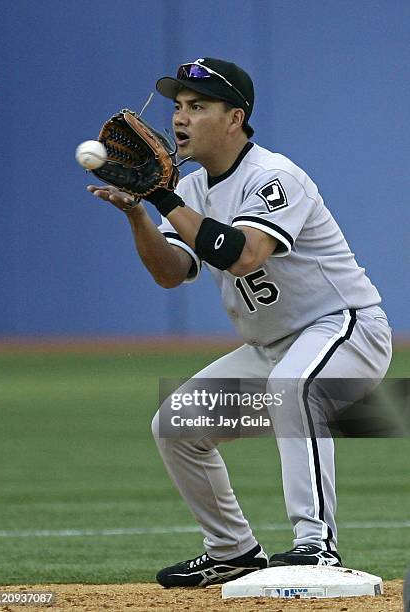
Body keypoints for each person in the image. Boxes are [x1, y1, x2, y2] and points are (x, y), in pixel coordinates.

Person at [87, 57, 392, 588]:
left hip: (345, 330)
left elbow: (244, 255)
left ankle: (315, 544)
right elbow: (171, 270)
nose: (180, 118)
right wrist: (138, 213)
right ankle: (232, 550)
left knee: (293, 387)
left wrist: (161, 195)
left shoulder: (274, 176)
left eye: (198, 106)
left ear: (235, 118)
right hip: (272, 344)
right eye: (178, 106)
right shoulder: (196, 189)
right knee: (177, 423)